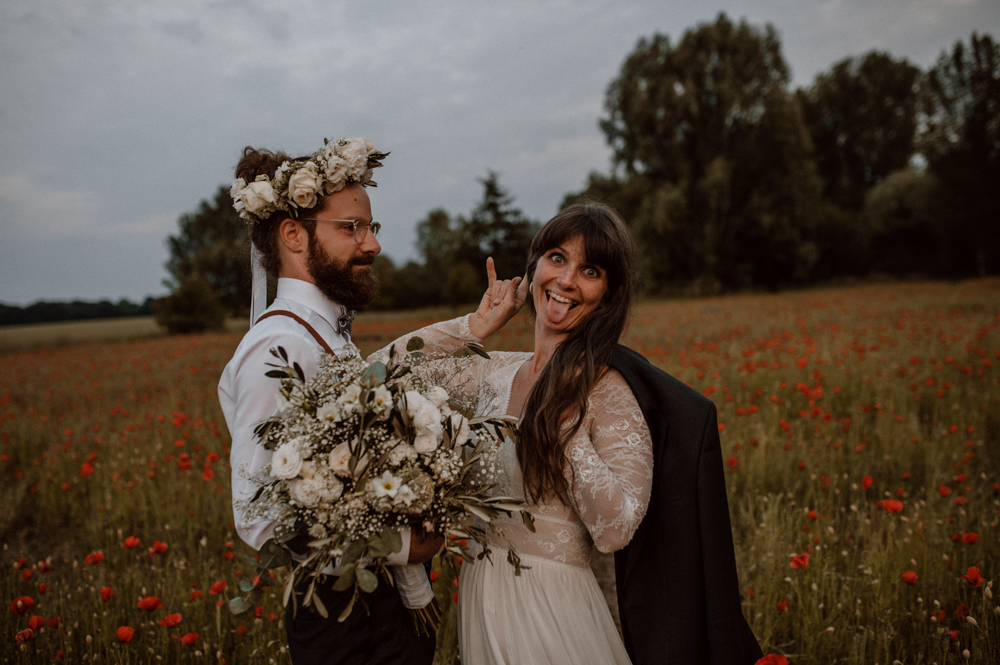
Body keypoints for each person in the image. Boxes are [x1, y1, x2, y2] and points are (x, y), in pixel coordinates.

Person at [379, 201, 761, 664]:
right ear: (533, 267)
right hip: (482, 594)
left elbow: (616, 529)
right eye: (557, 258)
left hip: (551, 611)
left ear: (608, 294)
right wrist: (476, 326)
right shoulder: (496, 372)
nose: (565, 280)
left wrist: (564, 426)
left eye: (590, 270)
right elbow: (381, 374)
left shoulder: (607, 390)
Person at [218, 137, 526, 665]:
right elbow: (259, 517)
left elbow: (392, 364)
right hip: (344, 618)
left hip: (382, 610)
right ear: (293, 234)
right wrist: (404, 545)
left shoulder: (321, 330)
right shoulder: (278, 347)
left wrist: (474, 327)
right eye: (352, 228)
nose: (373, 244)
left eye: (371, 226)